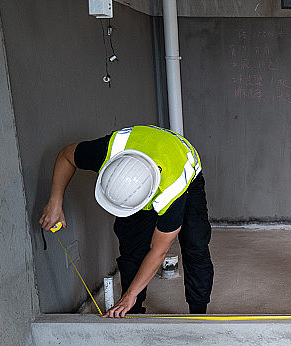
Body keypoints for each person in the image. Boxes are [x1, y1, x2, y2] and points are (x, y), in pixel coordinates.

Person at [39, 125, 214, 318]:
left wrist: (131, 293)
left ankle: (199, 315)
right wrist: (55, 201)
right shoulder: (105, 152)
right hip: (140, 153)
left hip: (183, 165)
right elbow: (66, 156)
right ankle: (133, 313)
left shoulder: (172, 190)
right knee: (132, 249)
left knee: (195, 244)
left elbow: (159, 251)